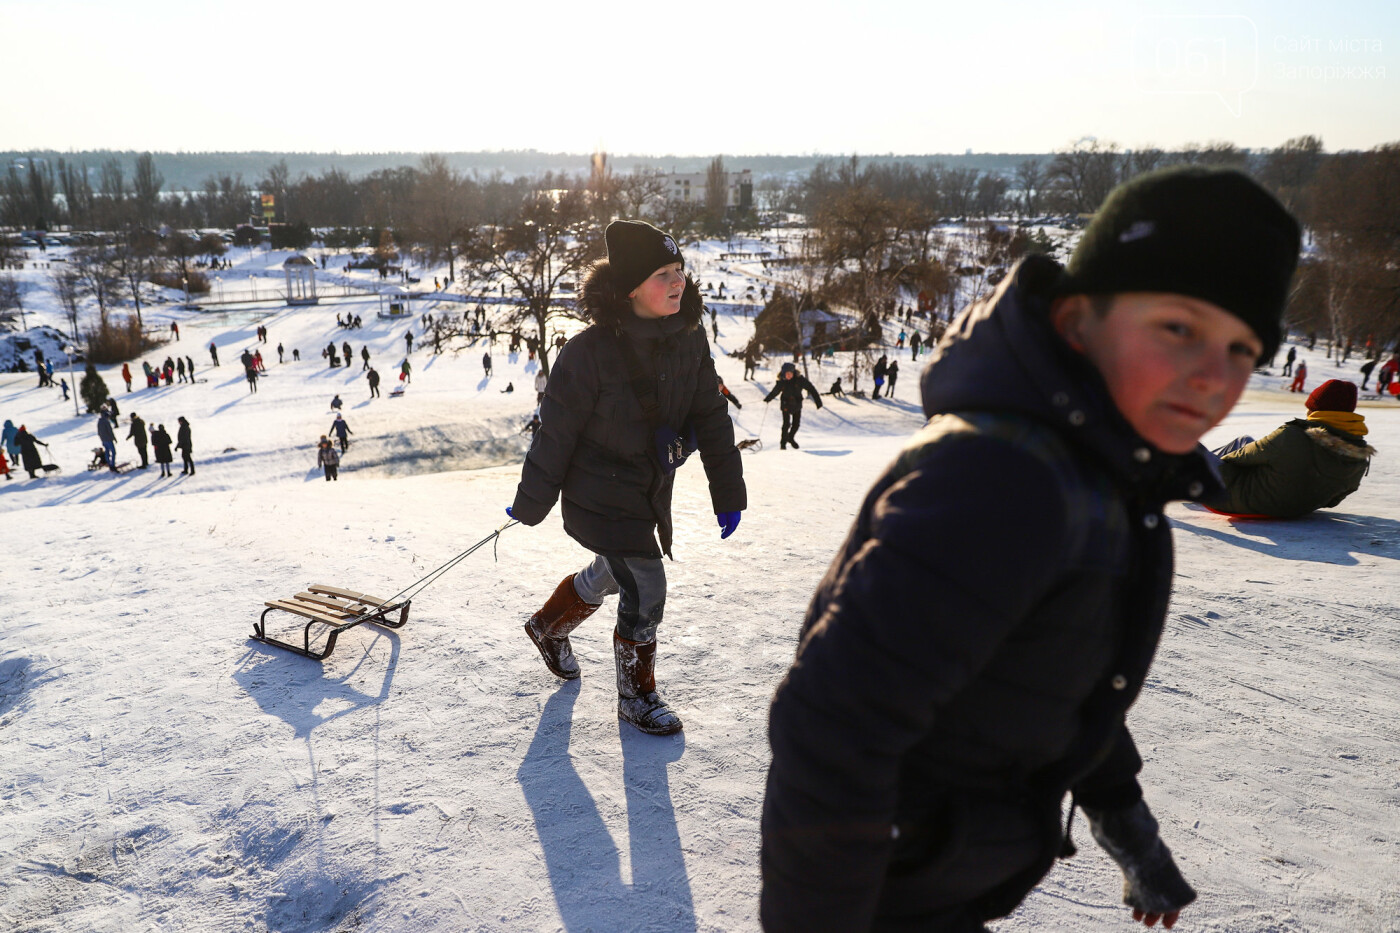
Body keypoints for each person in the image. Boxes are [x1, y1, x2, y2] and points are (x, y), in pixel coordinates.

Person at [761, 166, 1302, 933]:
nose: (1214, 376)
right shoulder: (1003, 480)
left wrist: (1127, 827)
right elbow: (834, 728)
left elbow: (1062, 676)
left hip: (938, 884)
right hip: (882, 895)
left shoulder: (1101, 472)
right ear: (1078, 323)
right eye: (1179, 328)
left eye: (1244, 348)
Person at [510, 220, 746, 736]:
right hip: (597, 490)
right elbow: (556, 434)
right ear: (631, 288)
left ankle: (548, 625)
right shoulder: (588, 352)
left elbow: (711, 416)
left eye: (680, 269)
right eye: (663, 273)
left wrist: (728, 492)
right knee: (644, 581)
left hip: (650, 488)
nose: (678, 281)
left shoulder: (689, 338)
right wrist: (530, 503)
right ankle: (636, 695)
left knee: (618, 571)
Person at [1204, 379, 1375, 518]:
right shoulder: (1358, 454)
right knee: (1244, 440)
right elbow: (1332, 501)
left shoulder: (1292, 435)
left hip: (1238, 500)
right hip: (1296, 509)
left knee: (1191, 449)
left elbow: (1236, 459)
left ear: (1318, 409)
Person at [763, 362, 822, 450]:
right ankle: (783, 444)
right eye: (787, 374)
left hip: (797, 404)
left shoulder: (800, 380)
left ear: (793, 372)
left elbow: (811, 389)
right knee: (786, 424)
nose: (789, 376)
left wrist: (818, 402)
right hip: (785, 404)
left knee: (796, 425)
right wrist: (768, 398)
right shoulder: (782, 382)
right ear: (783, 373)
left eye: (790, 373)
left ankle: (790, 437)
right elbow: (775, 392)